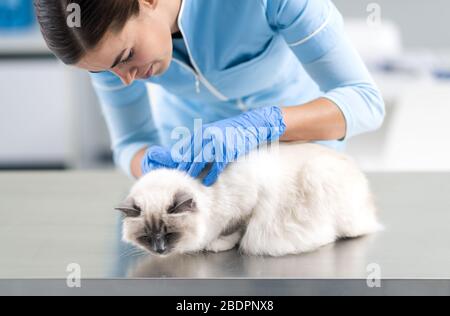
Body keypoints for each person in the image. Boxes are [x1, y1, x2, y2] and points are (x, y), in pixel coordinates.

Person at [34, 0, 385, 186]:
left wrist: (265, 124)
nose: (123, 79)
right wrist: (156, 168)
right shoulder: (109, 56)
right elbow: (129, 143)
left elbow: (365, 101)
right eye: (101, 70)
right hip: (201, 188)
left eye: (127, 57)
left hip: (299, 168)